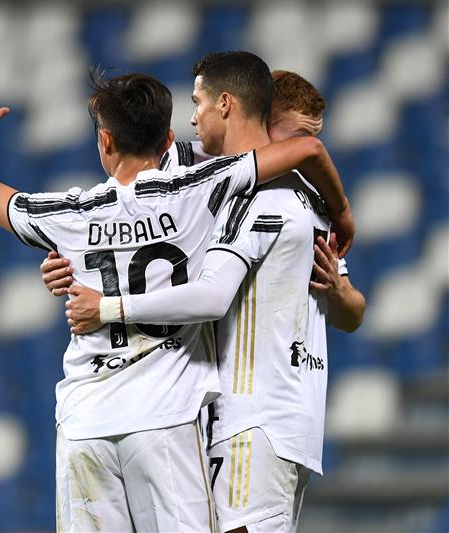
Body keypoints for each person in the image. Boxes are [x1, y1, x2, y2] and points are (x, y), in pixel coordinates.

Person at [0, 58, 352, 532]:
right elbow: (305, 150)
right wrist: (342, 213)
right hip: (167, 419)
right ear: (167, 143)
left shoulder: (72, 214)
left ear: (104, 141)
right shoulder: (200, 191)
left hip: (85, 421)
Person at [60, 60, 366, 533]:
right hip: (252, 417)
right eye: (292, 133)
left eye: (301, 138)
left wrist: (341, 288)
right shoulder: (207, 178)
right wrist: (71, 258)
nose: (293, 149)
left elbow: (350, 314)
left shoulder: (297, 199)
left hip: (273, 418)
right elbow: (125, 207)